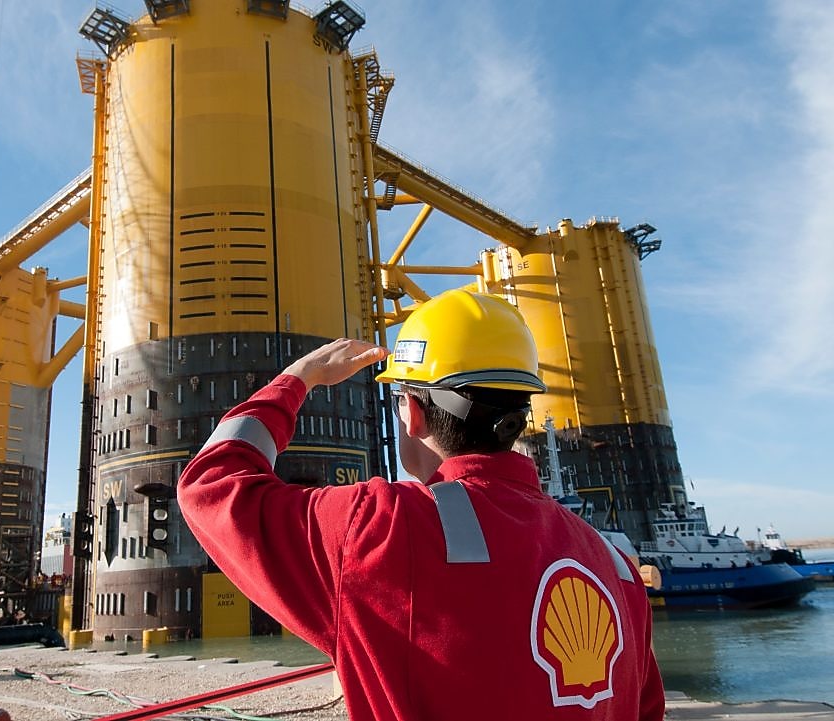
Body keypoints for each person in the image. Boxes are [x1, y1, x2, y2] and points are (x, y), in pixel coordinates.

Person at [178, 290, 664, 721]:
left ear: (411, 412)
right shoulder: (616, 566)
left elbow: (211, 486)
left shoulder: (383, 528)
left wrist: (295, 379)